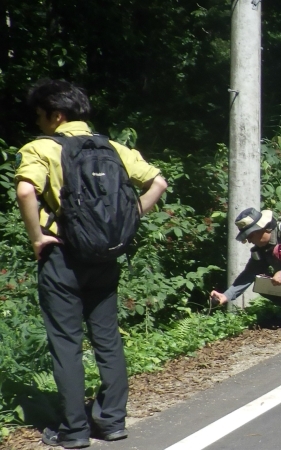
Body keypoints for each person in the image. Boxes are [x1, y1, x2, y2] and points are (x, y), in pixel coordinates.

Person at [14, 80, 168, 448]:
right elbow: (158, 183)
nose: (39, 123)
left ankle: (74, 432)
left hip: (62, 256)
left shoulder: (41, 148)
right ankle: (112, 422)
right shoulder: (113, 147)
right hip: (105, 254)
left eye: (40, 116)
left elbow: (25, 190)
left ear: (57, 115)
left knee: (66, 342)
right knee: (107, 338)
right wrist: (128, 221)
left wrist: (37, 237)